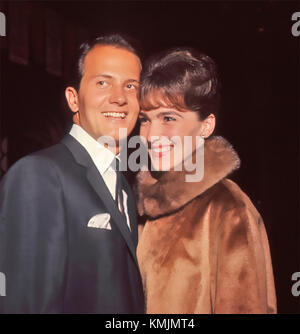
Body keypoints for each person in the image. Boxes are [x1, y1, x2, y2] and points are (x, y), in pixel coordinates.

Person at [0, 34, 144, 313]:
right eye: (103, 82)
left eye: (130, 86)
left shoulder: (124, 186)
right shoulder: (38, 175)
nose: (119, 98)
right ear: (73, 98)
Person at [136, 48, 277, 314]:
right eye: (145, 120)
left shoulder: (229, 210)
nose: (151, 135)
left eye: (168, 118)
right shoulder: (140, 207)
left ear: (206, 126)